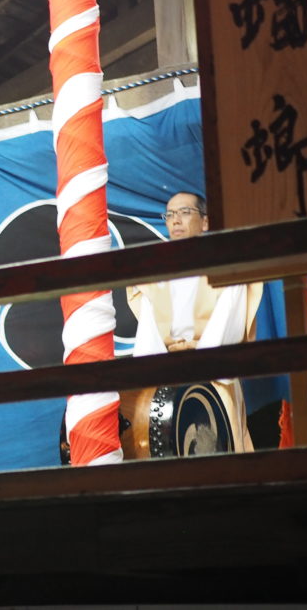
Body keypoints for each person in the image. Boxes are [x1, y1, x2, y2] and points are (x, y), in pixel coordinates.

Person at [127, 192, 262, 453]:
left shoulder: (225, 267)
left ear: (206, 222)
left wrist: (201, 367)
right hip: (166, 375)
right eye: (170, 215)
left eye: (185, 212)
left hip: (213, 372)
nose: (176, 220)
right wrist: (149, 380)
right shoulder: (153, 272)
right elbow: (148, 334)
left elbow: (226, 322)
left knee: (221, 442)